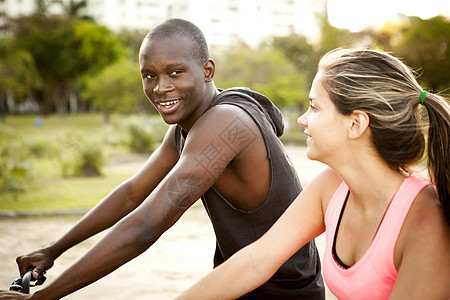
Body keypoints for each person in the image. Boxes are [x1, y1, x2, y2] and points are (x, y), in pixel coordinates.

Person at [0, 19, 324, 299]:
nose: (160, 88)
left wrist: (45, 297)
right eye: (149, 76)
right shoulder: (189, 126)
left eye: (175, 72)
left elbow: (145, 226)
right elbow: (131, 193)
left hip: (279, 290)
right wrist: (53, 251)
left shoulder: (226, 122)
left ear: (207, 70)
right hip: (239, 282)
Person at [175, 48, 450, 299]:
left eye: (315, 107)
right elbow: (257, 261)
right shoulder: (331, 188)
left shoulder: (425, 219)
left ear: (355, 123)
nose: (301, 119)